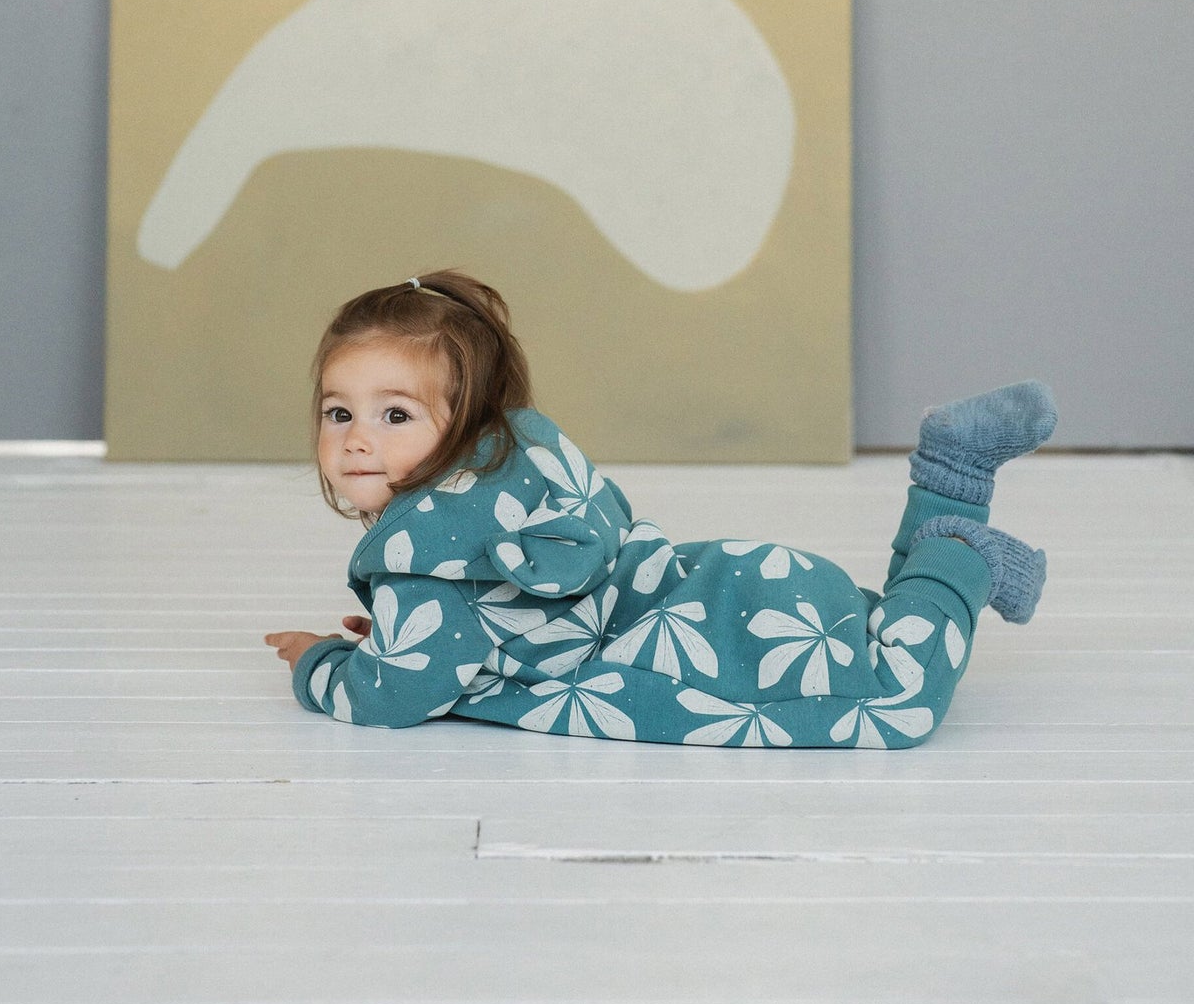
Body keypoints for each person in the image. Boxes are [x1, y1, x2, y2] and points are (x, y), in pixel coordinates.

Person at [264, 270, 1057, 749]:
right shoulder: (513, 474)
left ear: (463, 423)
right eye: (339, 413)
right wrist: (412, 634)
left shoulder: (423, 561)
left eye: (394, 415)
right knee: (882, 632)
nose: (357, 440)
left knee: (897, 699)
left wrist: (321, 667)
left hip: (700, 643)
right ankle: (950, 475)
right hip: (724, 586)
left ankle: (960, 553)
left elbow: (394, 697)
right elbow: (484, 624)